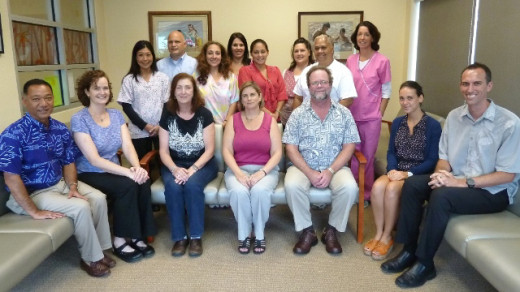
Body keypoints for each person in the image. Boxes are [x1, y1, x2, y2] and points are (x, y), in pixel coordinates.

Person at [381, 63, 520, 288]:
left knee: (442, 196)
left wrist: (458, 182)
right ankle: (408, 250)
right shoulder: (455, 117)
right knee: (414, 184)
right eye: (465, 83)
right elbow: (444, 157)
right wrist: (439, 175)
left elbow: (507, 175)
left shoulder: (509, 123)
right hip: (455, 181)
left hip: (491, 192)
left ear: (489, 86)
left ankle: (425, 263)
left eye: (477, 83)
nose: (470, 89)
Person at [0, 79, 114, 277]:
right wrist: (34, 211)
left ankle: (101, 250)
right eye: (36, 99)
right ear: (24, 101)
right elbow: (11, 178)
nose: (43, 103)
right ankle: (90, 259)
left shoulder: (59, 129)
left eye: (48, 98)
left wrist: (72, 186)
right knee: (80, 207)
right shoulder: (13, 134)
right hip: (33, 193)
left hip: (59, 184)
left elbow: (68, 161)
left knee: (99, 198)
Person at [71, 70, 157, 264]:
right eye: (96, 88)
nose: (102, 92)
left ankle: (137, 236)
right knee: (126, 186)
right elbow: (93, 159)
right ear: (87, 92)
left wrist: (137, 167)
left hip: (114, 169)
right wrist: (127, 172)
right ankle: (119, 240)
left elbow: (127, 145)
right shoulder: (80, 119)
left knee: (143, 181)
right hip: (90, 173)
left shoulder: (117, 115)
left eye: (105, 88)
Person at [283, 66, 360, 255]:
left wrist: (331, 171)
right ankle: (307, 231)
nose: (319, 86)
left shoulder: (344, 113)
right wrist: (309, 172)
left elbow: (349, 146)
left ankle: (331, 230)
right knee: (292, 185)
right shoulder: (298, 114)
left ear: (330, 85)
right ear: (308, 87)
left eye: (323, 82)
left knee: (350, 187)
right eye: (315, 83)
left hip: (335, 166)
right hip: (303, 166)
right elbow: (290, 148)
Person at [365, 81, 441, 260]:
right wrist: (392, 170)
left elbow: (432, 160)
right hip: (397, 169)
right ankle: (378, 233)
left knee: (391, 189)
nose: (405, 102)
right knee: (377, 187)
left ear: (420, 98)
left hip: (417, 173)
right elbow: (391, 151)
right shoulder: (398, 122)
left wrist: (406, 174)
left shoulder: (432, 125)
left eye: (410, 98)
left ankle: (387, 236)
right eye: (402, 98)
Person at [158, 73, 218, 257]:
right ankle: (179, 238)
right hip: (174, 164)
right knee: (173, 186)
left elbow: (210, 150)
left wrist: (192, 170)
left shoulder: (204, 114)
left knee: (192, 185)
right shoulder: (167, 114)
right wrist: (175, 169)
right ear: (173, 91)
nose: (183, 91)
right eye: (179, 88)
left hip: (202, 164)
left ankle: (196, 236)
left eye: (187, 87)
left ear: (194, 91)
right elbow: (163, 151)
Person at [222, 81, 282, 254]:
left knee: (260, 191)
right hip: (237, 169)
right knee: (239, 192)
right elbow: (226, 151)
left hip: (265, 170)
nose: (248, 99)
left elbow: (277, 153)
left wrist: (262, 173)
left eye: (252, 95)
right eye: (245, 96)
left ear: (260, 97)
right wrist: (238, 173)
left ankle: (260, 234)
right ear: (241, 99)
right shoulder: (233, 120)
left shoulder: (270, 121)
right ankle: (244, 234)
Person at [346, 21, 392, 205]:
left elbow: (387, 92)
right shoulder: (351, 60)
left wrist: (379, 114)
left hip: (371, 118)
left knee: (367, 157)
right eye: (359, 34)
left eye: (366, 34)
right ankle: (351, 192)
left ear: (373, 37)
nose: (362, 38)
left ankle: (366, 194)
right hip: (351, 116)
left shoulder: (382, 61)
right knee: (352, 155)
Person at [117, 40, 170, 159]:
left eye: (148, 54)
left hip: (160, 130)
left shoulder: (162, 78)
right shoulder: (129, 80)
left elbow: (167, 104)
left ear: (153, 56)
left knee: (162, 165)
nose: (145, 59)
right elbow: (126, 107)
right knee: (142, 167)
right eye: (140, 55)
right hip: (138, 132)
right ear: (135, 57)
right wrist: (145, 126)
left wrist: (160, 125)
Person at [292, 34, 357, 109]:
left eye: (323, 47)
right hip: (306, 119)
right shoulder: (306, 71)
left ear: (332, 49)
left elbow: (347, 100)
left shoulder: (343, 72)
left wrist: (328, 117)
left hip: (332, 119)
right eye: (316, 48)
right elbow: (298, 98)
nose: (319, 51)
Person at [238, 39, 287, 120]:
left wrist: (276, 113)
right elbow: (248, 96)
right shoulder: (245, 71)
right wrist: (270, 115)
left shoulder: (275, 70)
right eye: (256, 52)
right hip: (254, 117)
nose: (260, 55)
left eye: (263, 51)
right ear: (251, 54)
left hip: (276, 117)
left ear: (267, 52)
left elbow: (282, 93)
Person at [194, 41, 239, 126]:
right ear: (205, 56)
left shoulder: (231, 77)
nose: (214, 56)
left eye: (217, 53)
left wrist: (226, 121)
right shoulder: (196, 77)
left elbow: (234, 101)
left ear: (222, 56)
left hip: (225, 125)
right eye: (210, 53)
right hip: (203, 126)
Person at [280, 37, 315, 125]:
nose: (299, 53)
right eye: (296, 51)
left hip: (310, 120)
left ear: (309, 52)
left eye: (302, 50)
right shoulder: (286, 72)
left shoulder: (316, 71)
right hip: (287, 120)